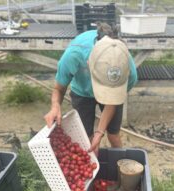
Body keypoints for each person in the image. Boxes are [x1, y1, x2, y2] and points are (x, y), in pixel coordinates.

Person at [44, 23, 137, 154]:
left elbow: (112, 102)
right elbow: (59, 89)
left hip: (111, 97)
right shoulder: (74, 54)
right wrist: (55, 106)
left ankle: (120, 163)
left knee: (113, 135)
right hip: (82, 92)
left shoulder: (127, 67)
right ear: (88, 63)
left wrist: (99, 132)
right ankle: (94, 170)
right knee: (87, 140)